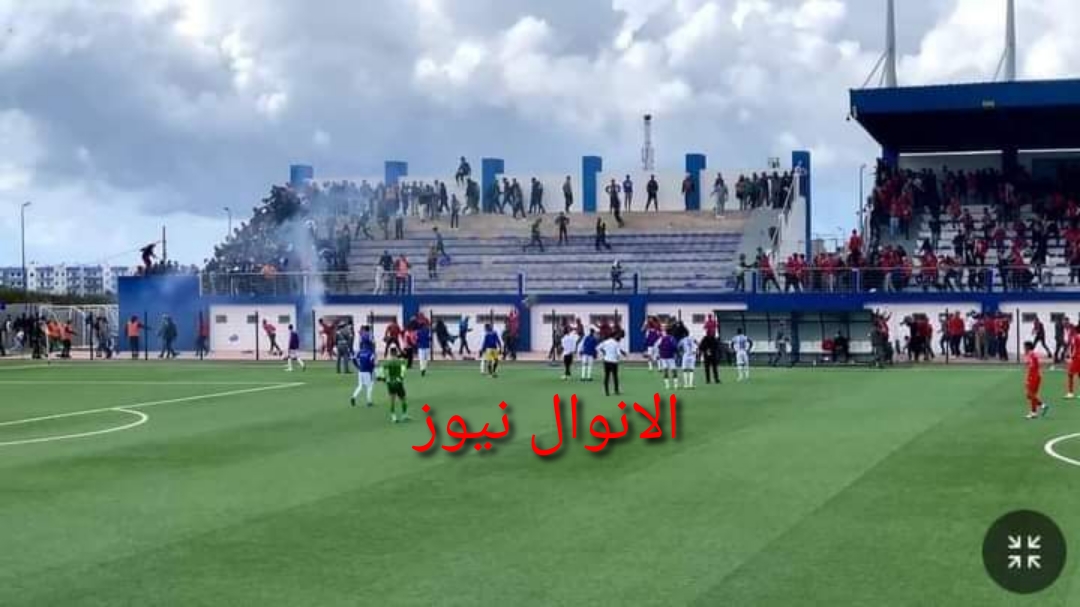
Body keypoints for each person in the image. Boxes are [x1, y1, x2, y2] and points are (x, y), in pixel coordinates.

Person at [381, 347, 410, 423]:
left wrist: (384, 379)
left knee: (392, 400)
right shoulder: (400, 361)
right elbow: (403, 370)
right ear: (396, 353)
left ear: (390, 353)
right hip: (398, 383)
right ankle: (404, 415)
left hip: (390, 383)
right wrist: (401, 378)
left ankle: (393, 417)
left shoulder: (388, 362)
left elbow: (381, 369)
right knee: (403, 399)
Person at [1024, 341, 1050, 420]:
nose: (1024, 348)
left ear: (1028, 347)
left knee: (1031, 394)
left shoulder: (1032, 355)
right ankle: (1042, 407)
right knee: (1030, 395)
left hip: (1034, 377)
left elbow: (1032, 367)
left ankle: (1035, 412)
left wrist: (1029, 378)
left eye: (1025, 347)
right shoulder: (1031, 354)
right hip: (1035, 376)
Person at [598, 332, 626, 397]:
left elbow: (598, 347)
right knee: (615, 376)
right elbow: (618, 353)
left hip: (606, 361)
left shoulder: (605, 342)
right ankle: (616, 390)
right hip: (614, 362)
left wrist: (604, 352)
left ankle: (607, 391)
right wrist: (619, 358)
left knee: (606, 376)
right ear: (614, 336)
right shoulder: (616, 343)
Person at [351, 342, 376, 408]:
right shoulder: (370, 353)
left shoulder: (360, 352)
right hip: (367, 372)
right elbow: (372, 363)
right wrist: (372, 370)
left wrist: (357, 366)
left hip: (360, 371)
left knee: (360, 386)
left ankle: (353, 397)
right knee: (369, 386)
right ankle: (369, 402)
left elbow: (353, 358)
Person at [1066, 324, 1080, 399]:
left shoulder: (1075, 337)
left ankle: (1070, 393)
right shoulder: (1076, 337)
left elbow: (1074, 348)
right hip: (1077, 357)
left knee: (1070, 374)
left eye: (1071, 329)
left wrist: (1070, 357)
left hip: (1076, 358)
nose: (1070, 331)